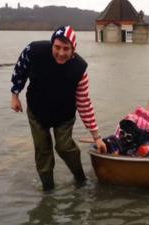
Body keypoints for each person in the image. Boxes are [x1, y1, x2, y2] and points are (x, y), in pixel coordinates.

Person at [10, 26, 106, 192]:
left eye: (66, 49)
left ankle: (80, 179)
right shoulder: (34, 50)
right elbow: (20, 70)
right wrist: (15, 94)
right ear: (51, 44)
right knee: (43, 149)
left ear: (73, 50)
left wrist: (96, 136)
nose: (61, 53)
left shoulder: (80, 70)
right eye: (57, 47)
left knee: (64, 147)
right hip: (37, 110)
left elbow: (84, 103)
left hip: (64, 115)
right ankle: (48, 189)